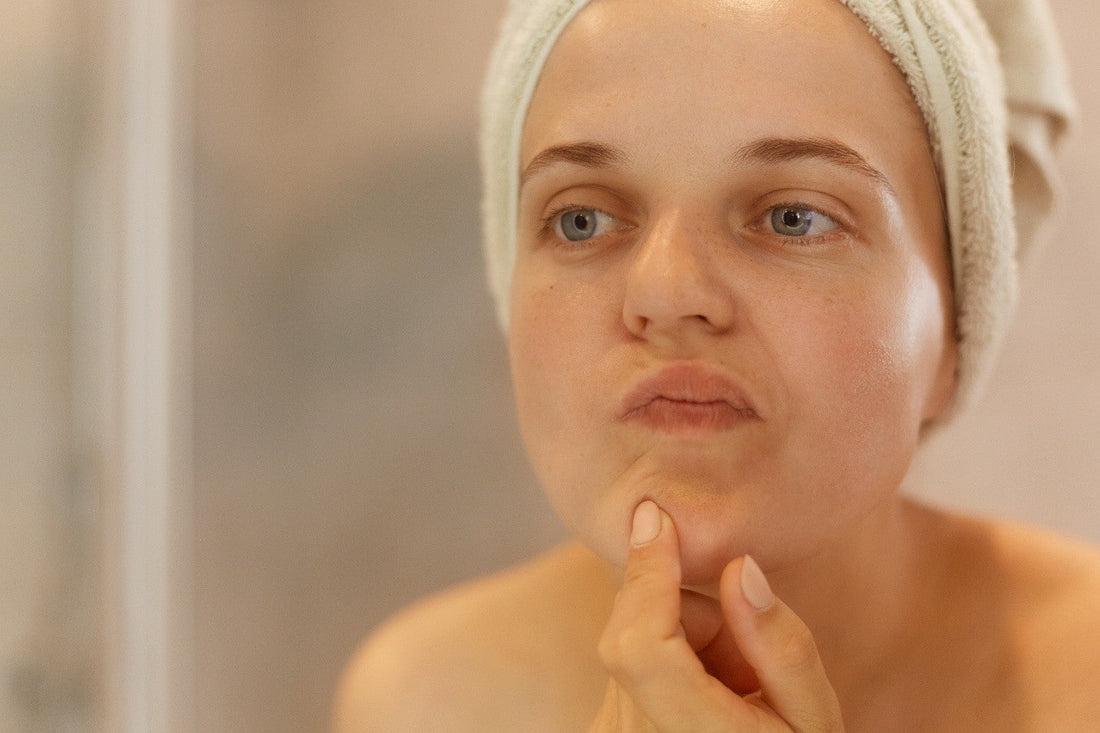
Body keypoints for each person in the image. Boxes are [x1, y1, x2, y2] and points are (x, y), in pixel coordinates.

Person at [334, 0, 1100, 729]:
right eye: (582, 219)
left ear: (956, 331)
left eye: (793, 218)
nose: (665, 292)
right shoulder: (425, 700)